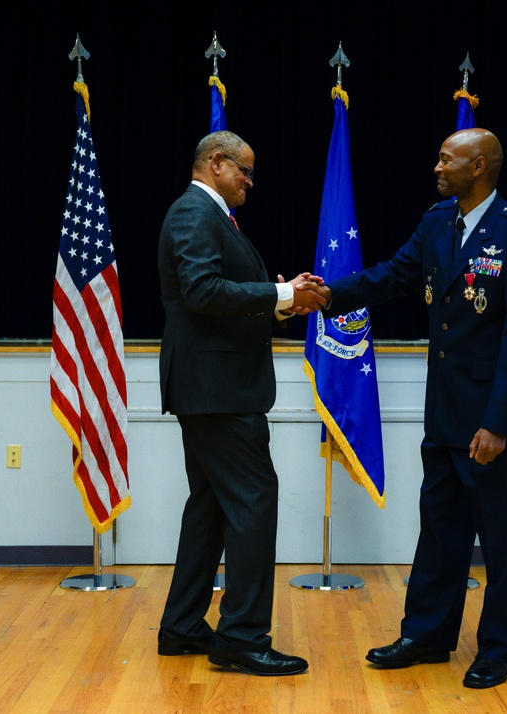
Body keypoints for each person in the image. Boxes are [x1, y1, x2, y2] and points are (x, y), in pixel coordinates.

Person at [306, 128, 507, 689]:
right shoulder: (438, 220)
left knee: (499, 539)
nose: (437, 167)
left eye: (448, 159)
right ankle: (427, 636)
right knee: (439, 532)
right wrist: (325, 294)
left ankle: (496, 650)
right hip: (442, 415)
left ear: (480, 166)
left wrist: (499, 423)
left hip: (489, 422)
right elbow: (391, 277)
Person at [157, 130, 326, 676]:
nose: (250, 182)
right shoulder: (193, 213)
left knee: (209, 506)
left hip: (216, 389)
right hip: (218, 392)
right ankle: (243, 638)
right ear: (217, 163)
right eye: (245, 172)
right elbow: (202, 292)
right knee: (254, 502)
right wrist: (280, 295)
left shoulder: (212, 217)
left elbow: (223, 298)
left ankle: (183, 626)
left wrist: (281, 303)